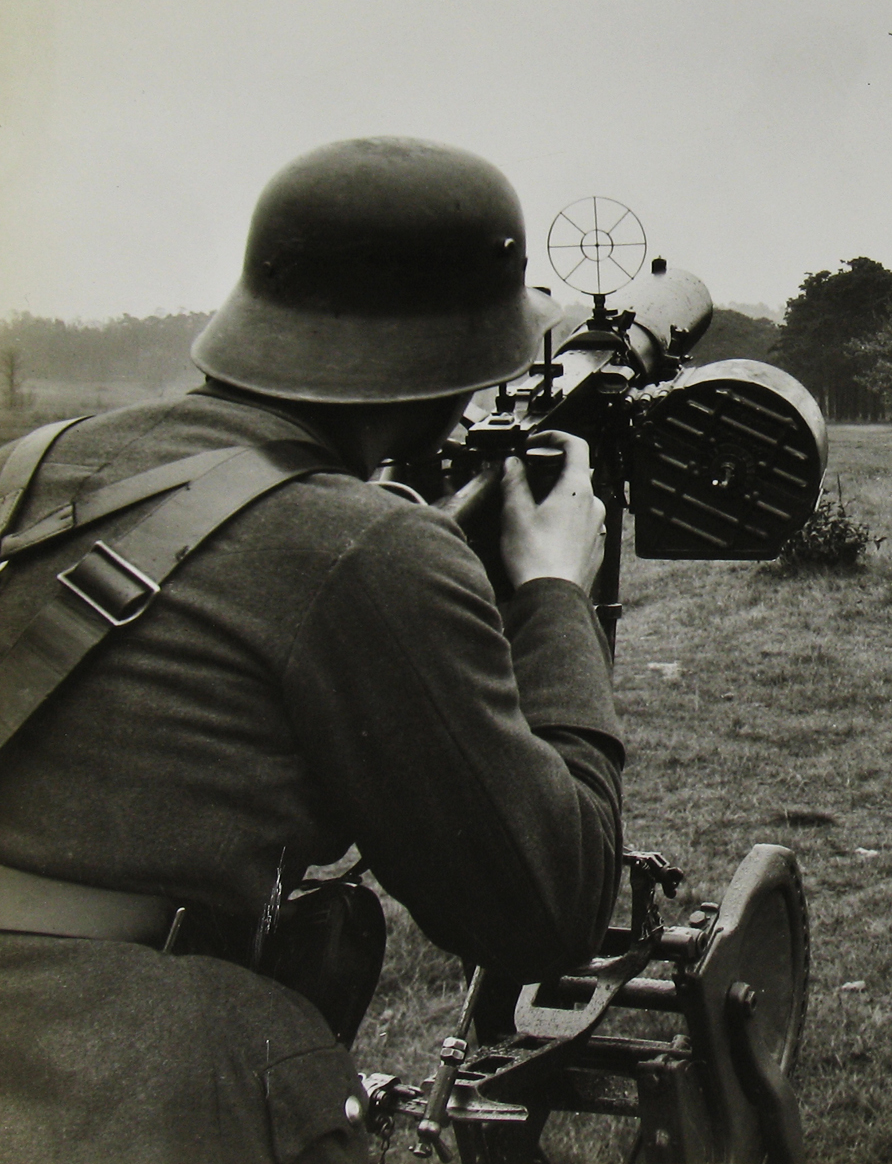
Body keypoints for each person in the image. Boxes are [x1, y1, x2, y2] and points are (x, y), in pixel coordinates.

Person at [0, 137, 624, 1163]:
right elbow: (546, 908)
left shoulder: (37, 464)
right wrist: (555, 589)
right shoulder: (363, 545)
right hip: (118, 1094)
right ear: (452, 368)